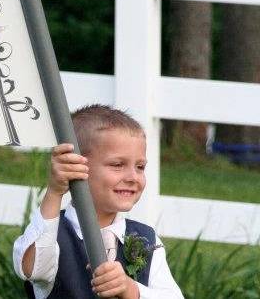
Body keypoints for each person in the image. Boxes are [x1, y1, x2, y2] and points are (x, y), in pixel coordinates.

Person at [13, 104, 183, 298]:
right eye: (117, 165)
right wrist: (55, 192)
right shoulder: (54, 236)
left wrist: (131, 289)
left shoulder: (146, 240)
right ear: (77, 165)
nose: (133, 177)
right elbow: (32, 268)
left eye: (140, 166)